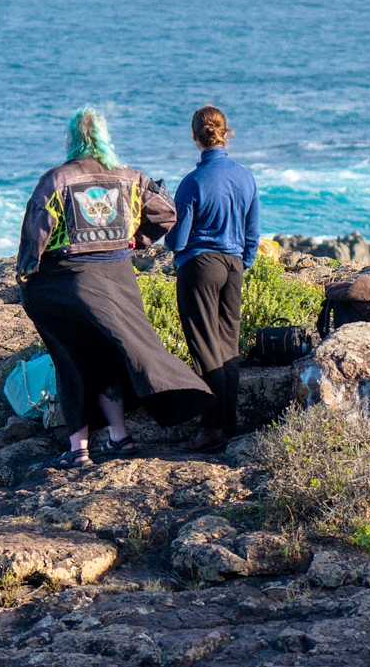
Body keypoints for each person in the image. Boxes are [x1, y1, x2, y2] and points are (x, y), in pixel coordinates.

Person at [17, 108, 213, 471]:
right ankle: (119, 436)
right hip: (119, 278)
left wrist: (26, 272)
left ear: (72, 139)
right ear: (105, 137)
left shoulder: (57, 179)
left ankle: (79, 450)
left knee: (72, 360)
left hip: (69, 283)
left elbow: (36, 234)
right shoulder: (130, 178)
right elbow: (166, 213)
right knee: (111, 356)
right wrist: (138, 240)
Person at [166, 104, 261, 454]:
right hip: (234, 263)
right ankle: (227, 422)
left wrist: (169, 244)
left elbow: (178, 238)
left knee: (205, 347)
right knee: (227, 346)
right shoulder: (245, 176)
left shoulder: (193, 182)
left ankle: (211, 427)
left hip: (200, 265)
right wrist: (242, 262)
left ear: (195, 137)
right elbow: (253, 233)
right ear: (225, 133)